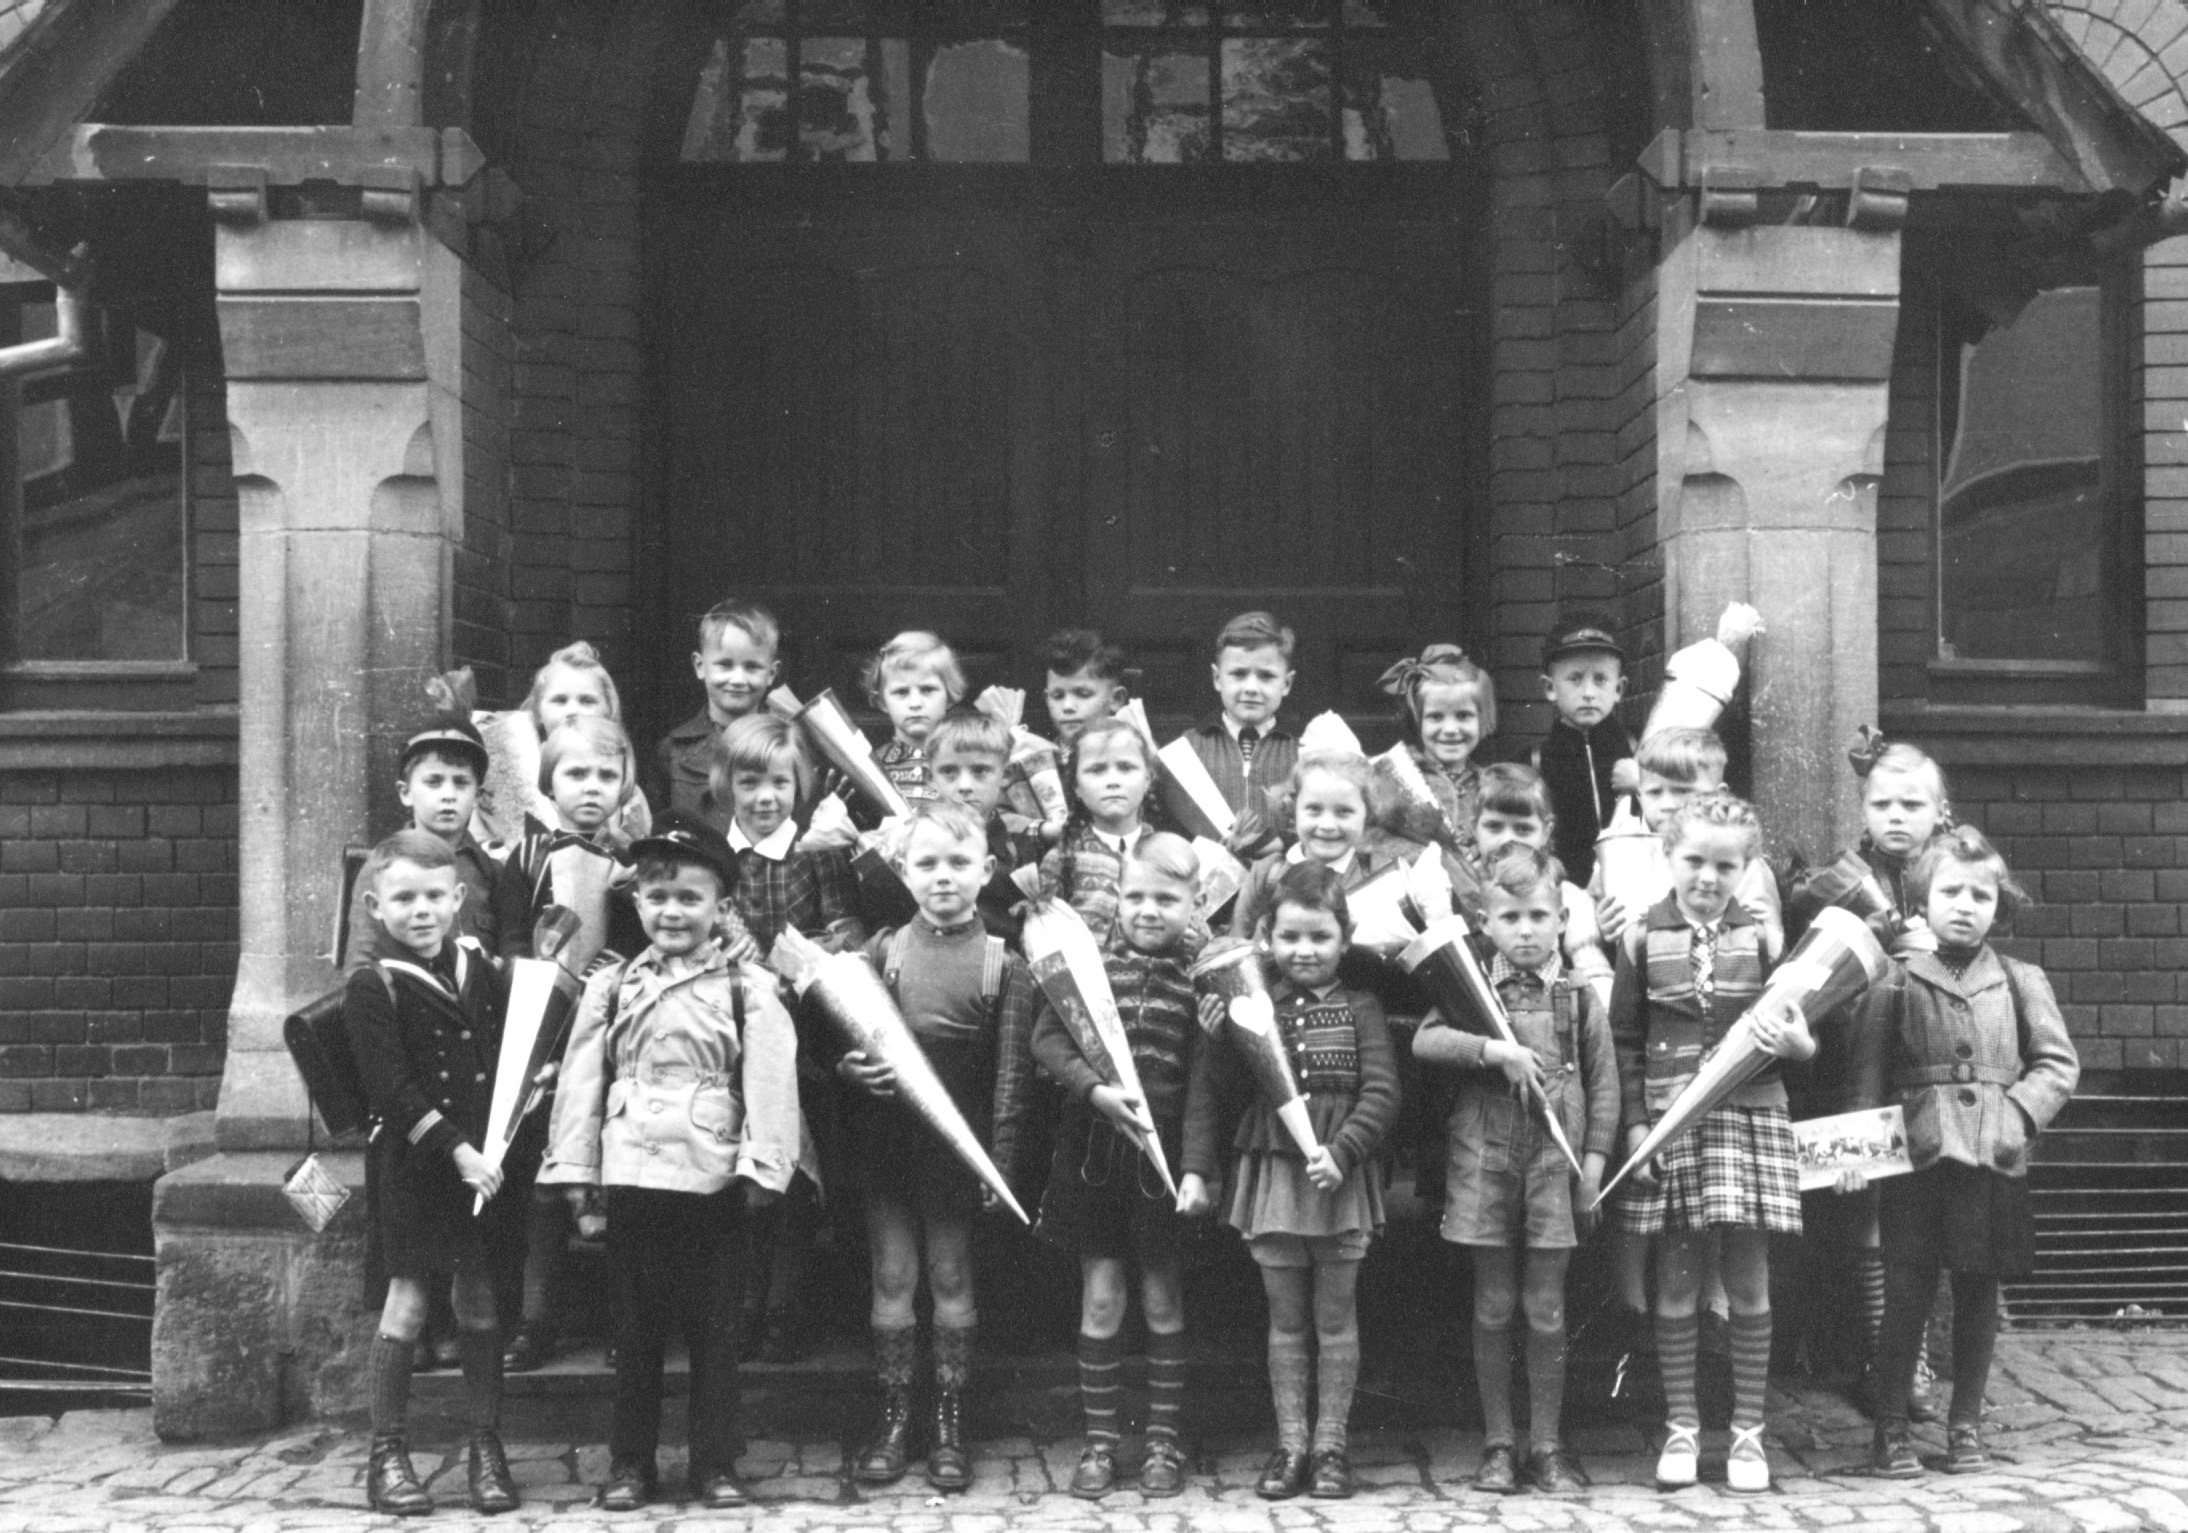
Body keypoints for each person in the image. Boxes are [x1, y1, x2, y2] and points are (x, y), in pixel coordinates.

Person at [536, 810, 800, 1511]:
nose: (672, 911)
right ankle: (631, 1463)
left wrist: (763, 1169)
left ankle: (716, 1463)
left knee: (715, 1332)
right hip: (632, 1174)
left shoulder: (748, 988)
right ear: (637, 902)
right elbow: (581, 1082)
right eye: (657, 897)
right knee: (635, 1330)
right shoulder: (613, 985)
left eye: (690, 897)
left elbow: (771, 1085)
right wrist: (577, 1175)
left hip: (714, 1179)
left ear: (721, 906)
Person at [1844, 826, 2078, 1478]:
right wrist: (1854, 1156)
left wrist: (2017, 1115)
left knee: (1978, 1293)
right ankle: (1890, 1431)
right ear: (1921, 900)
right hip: (1918, 1157)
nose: (1965, 905)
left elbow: (2057, 1064)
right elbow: (1867, 1077)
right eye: (1950, 891)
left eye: (1981, 895)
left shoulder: (2020, 979)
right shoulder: (1894, 981)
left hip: (1993, 1157)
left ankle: (1965, 1426)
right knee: (1906, 1294)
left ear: (1999, 908)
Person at [832, 801, 1042, 1493]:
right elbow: (842, 1030)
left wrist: (999, 1163)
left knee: (951, 1275)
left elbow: (1012, 1075)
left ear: (987, 869)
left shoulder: (1004, 962)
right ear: (902, 870)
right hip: (890, 1134)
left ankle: (951, 1421)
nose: (942, 876)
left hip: (960, 1141)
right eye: (926, 863)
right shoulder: (882, 951)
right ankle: (896, 1417)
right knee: (893, 1275)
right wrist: (847, 1066)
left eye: (958, 862)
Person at [1186, 861, 1400, 1501]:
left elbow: (1382, 1093)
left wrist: (1344, 1150)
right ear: (1267, 939)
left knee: (1335, 1315)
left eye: (1320, 937)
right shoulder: (1253, 1003)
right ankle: (1291, 1444)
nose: (1304, 950)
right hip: (1276, 1171)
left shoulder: (1362, 1007)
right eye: (1289, 937)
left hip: (1339, 1175)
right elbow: (1226, 1093)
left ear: (1345, 938)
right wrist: (1217, 1041)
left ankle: (1332, 1446)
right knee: (1284, 1318)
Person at [1610, 791, 1805, 1493]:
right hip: (1673, 1124)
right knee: (1678, 1277)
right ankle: (1682, 1425)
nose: (1708, 877)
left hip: (1749, 1118)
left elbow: (1797, 1033)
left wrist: (1799, 1044)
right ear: (1668, 855)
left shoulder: (1767, 941)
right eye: (1694, 859)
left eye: (1726, 865)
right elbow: (1625, 1041)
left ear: (1746, 869)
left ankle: (1748, 1430)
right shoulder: (1640, 937)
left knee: (1749, 1276)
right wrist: (1639, 1126)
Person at [1415, 845, 1617, 1496]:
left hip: (1555, 1162)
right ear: (1485, 922)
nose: (1525, 930)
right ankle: (1499, 1442)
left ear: (1562, 919)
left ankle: (1547, 1444)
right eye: (1509, 917)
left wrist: (1592, 1167)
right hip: (1485, 1154)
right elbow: (1425, 1039)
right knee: (1494, 1302)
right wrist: (1492, 1049)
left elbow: (1605, 1085)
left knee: (1547, 1306)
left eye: (1538, 916)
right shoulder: (1471, 987)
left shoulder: (1579, 995)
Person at [1032, 834, 1213, 1499]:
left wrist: (1197, 1168)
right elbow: (1047, 1039)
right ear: (1115, 896)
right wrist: (1093, 1090)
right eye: (1135, 895)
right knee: (1102, 1294)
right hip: (1096, 1155)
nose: (1148, 910)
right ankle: (1102, 1442)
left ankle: (1163, 1440)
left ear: (1196, 903)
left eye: (1166, 898)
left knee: (1163, 1294)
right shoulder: (1089, 968)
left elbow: (1205, 1084)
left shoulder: (1200, 983)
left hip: (1165, 1164)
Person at [343, 830, 518, 1517]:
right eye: (404, 898)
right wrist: (456, 1150)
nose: (421, 910)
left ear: (457, 898)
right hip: (418, 1163)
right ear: (375, 905)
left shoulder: (477, 966)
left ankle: (485, 1446)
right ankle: (386, 1455)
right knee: (410, 1300)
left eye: (434, 896)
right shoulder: (373, 984)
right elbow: (392, 1090)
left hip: (482, 1163)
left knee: (479, 1299)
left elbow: (505, 1050)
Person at [489, 714, 668, 1374]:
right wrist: (536, 974)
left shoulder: (632, 864)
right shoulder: (526, 859)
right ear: (548, 782)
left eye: (605, 775)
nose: (591, 787)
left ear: (624, 784)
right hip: (542, 1031)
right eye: (575, 773)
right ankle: (537, 1322)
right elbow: (512, 938)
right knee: (545, 1184)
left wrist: (608, 971)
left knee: (618, 1180)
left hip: (610, 1035)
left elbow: (638, 940)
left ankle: (629, 1324)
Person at [1786, 736, 1953, 1419]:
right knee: (1863, 1213)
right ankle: (1887, 1359)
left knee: (1920, 1215)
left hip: (1930, 1072)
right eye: (1882, 804)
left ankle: (1911, 1353)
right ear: (1863, 809)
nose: (1896, 816)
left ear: (1940, 810)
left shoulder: (1953, 872)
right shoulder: (1844, 876)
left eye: (1912, 804)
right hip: (1858, 1070)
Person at [709, 712, 866, 1362]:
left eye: (780, 782)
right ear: (726, 784)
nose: (765, 797)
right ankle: (741, 1305)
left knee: (794, 1173)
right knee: (739, 1173)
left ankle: (783, 1308)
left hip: (802, 1035)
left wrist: (796, 961)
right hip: (730, 1037)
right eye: (750, 783)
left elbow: (848, 934)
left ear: (798, 785)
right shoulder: (714, 858)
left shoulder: (816, 851)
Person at [1468, 763, 1613, 1010]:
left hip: (1548, 1014)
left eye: (1523, 829)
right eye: (1494, 826)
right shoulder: (1454, 887)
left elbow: (1594, 973)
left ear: (1546, 832)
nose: (1507, 839)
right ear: (1475, 828)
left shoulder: (1565, 896)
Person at [1179, 611, 1300, 856]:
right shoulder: (1188, 748)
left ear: (1286, 683)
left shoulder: (1304, 749)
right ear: (1217, 678)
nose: (1251, 688)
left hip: (1284, 874)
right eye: (1238, 674)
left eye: (1266, 676)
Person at [1531, 613, 1634, 889]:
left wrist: (1646, 783)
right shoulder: (1534, 762)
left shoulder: (1639, 752)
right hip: (1563, 897)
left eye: (1600, 679)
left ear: (1619, 689)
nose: (1589, 692)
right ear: (1550, 688)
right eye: (1575, 679)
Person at [926, 711, 1045, 947]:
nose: (964, 786)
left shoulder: (1021, 846)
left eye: (980, 770)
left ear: (1006, 774)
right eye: (949, 771)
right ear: (931, 778)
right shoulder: (917, 845)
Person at [1000, 627, 1131, 840]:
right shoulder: (1030, 759)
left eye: (1083, 694)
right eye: (1058, 696)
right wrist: (1042, 830)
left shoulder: (1133, 760)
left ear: (1116, 699)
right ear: (1046, 698)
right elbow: (998, 818)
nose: (1068, 706)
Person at [655, 598, 783, 816]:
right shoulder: (672, 750)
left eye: (752, 666)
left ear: (771, 673)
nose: (738, 679)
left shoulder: (786, 745)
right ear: (700, 666)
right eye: (725, 665)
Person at [1370, 644, 1495, 862]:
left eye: (1463, 716)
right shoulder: (1392, 778)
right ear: (1418, 721)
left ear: (1481, 718)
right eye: (1436, 717)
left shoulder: (1492, 785)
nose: (1450, 729)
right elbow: (1377, 842)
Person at [1038, 716, 1159, 935]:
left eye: (1126, 767)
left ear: (1147, 779)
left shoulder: (1168, 852)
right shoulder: (1062, 858)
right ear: (1076, 786)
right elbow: (1044, 932)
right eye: (1097, 770)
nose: (1113, 781)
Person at [863, 630, 966, 809]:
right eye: (901, 692)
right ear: (882, 702)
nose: (915, 703)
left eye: (927, 690)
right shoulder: (874, 767)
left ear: (949, 696)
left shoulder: (966, 759)